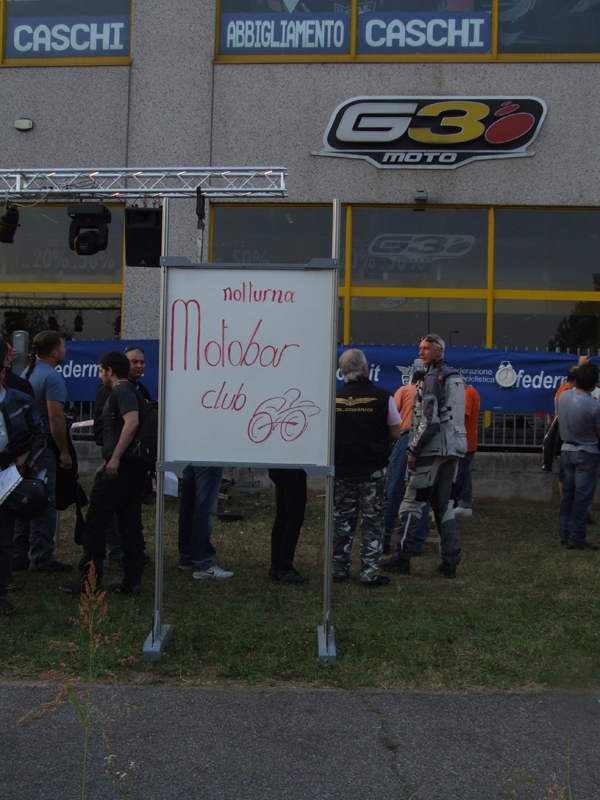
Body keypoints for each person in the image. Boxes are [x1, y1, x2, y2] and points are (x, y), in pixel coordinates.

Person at [60, 351, 148, 595]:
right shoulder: (131, 390)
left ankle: (90, 579)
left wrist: (115, 458)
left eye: (100, 371)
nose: (99, 376)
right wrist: (107, 460)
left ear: (109, 370)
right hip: (131, 468)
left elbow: (132, 422)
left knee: (96, 522)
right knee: (130, 524)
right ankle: (132, 580)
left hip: (122, 469)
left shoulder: (122, 390)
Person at [382, 334, 465, 579]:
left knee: (412, 502)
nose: (421, 352)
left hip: (431, 449)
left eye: (427, 348)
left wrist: (414, 451)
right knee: (444, 505)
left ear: (439, 351)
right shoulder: (455, 377)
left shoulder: (431, 378)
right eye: (420, 348)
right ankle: (450, 561)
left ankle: (401, 557)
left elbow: (430, 420)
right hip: (452, 450)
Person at [332, 349, 401, 587]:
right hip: (373, 469)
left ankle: (339, 570)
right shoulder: (383, 397)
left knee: (342, 521)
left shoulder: (333, 399)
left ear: (343, 371)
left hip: (341, 469)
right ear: (364, 368)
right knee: (372, 521)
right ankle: (369, 573)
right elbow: (396, 432)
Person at [12, 331, 73, 574]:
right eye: (64, 346)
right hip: (43, 447)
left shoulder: (28, 372)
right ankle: (42, 559)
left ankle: (18, 554)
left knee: (23, 499)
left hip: (25, 448)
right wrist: (64, 451)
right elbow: (55, 416)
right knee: (43, 501)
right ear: (55, 352)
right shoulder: (51, 376)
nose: (66, 351)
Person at [93, 344, 153, 569]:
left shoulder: (141, 391)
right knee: (106, 513)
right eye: (133, 362)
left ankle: (132, 560)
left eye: (142, 362)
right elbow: (104, 428)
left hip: (135, 463)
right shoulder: (108, 390)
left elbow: (140, 425)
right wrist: (110, 458)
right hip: (117, 461)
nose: (138, 366)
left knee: (130, 515)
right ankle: (116, 554)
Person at [0, 359, 46, 614]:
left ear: (2, 374)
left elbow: (39, 434)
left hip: (8, 476)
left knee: (4, 538)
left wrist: (23, 461)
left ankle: (1, 592)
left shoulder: (21, 401)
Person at [383, 369, 431, 555]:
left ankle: (385, 538)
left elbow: (392, 415)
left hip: (405, 438)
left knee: (394, 489)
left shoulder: (404, 390)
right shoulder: (431, 393)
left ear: (412, 380)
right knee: (422, 493)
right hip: (425, 442)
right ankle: (416, 543)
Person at [556, 361, 600, 550]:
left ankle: (565, 534)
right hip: (586, 452)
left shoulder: (563, 396)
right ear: (594, 385)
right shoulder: (594, 406)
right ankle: (576, 538)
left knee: (568, 495)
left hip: (566, 450)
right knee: (582, 498)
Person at [178, 466, 234, 580]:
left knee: (189, 505)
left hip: (188, 458)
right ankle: (202, 563)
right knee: (205, 507)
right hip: (208, 459)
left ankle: (187, 557)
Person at [268, 468, 308, 584]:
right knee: (294, 519)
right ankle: (284, 568)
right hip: (293, 470)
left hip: (278, 468)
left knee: (283, 516)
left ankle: (276, 565)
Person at [452, 379, 481, 517]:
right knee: (464, 473)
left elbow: (462, 414)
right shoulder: (472, 391)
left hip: (464, 440)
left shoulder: (468, 393)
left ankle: (463, 501)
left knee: (458, 473)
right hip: (468, 440)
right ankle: (465, 500)